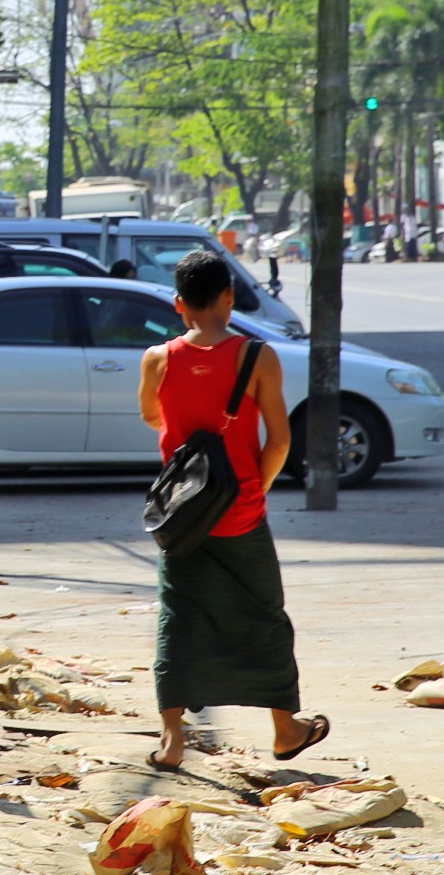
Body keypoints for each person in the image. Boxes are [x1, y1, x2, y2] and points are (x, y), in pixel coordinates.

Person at [137, 250, 328, 773]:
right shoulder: (258, 357)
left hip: (182, 518)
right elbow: (280, 440)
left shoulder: (158, 358)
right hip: (241, 512)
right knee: (263, 615)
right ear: (228, 296)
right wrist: (253, 491)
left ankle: (173, 741)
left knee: (179, 618)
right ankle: (285, 729)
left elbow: (151, 414)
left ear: (179, 305)